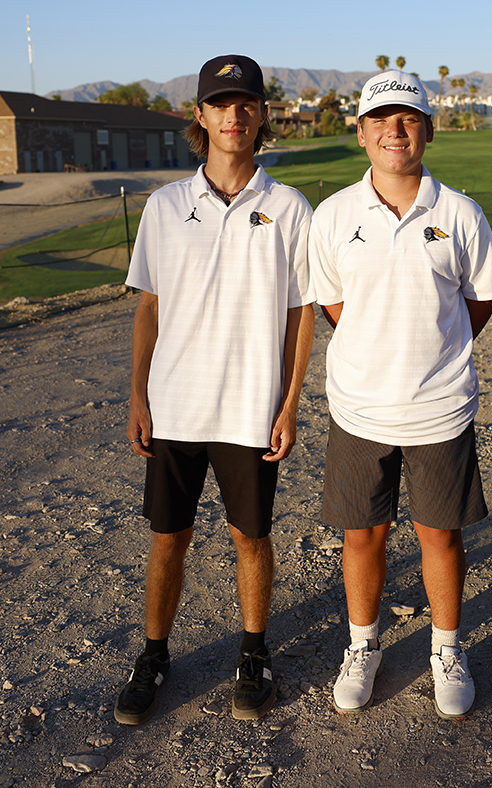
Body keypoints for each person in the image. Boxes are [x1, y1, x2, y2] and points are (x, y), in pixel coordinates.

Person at [116, 54, 315, 725]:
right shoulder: (167, 205)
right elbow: (149, 306)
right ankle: (153, 655)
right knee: (168, 537)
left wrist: (289, 404)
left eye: (246, 103)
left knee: (249, 537)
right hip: (175, 405)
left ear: (261, 115)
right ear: (199, 116)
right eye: (220, 104)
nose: (235, 115)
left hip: (250, 410)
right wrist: (139, 397)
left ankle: (254, 656)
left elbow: (300, 312)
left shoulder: (288, 207)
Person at [307, 70, 492, 720]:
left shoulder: (459, 213)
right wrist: (378, 346)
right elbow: (334, 302)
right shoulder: (333, 215)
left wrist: (430, 352)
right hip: (359, 407)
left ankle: (446, 649)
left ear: (428, 130)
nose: (396, 129)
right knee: (363, 537)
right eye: (382, 119)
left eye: (409, 118)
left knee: (439, 537)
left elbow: (478, 301)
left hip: (439, 409)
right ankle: (363, 646)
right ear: (361, 132)